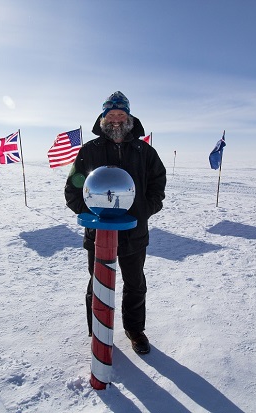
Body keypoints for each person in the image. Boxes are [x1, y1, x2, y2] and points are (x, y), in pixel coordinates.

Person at [64, 91, 167, 355]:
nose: (117, 120)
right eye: (111, 115)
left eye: (121, 114)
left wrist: (144, 210)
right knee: (97, 283)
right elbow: (73, 188)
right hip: (98, 235)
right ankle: (96, 331)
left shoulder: (145, 151)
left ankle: (134, 330)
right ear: (102, 118)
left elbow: (158, 183)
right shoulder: (90, 151)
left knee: (135, 284)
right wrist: (94, 216)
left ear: (130, 117)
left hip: (134, 233)